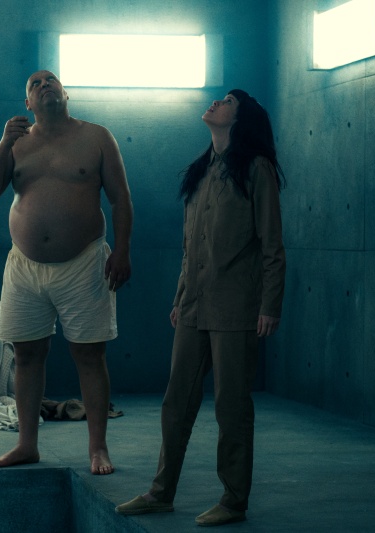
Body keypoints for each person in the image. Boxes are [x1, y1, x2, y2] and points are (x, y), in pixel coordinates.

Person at [115, 89, 286, 526]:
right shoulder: (200, 170)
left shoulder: (257, 169)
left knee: (232, 406)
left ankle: (233, 500)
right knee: (177, 401)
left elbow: (272, 244)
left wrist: (270, 305)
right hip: (194, 304)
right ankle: (161, 492)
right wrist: (180, 297)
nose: (216, 103)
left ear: (241, 118)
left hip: (237, 306)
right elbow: (190, 247)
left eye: (228, 101)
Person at [0, 70, 133, 475]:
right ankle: (26, 445)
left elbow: (120, 199)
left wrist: (122, 251)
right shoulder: (16, 142)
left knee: (89, 355)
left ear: (66, 92)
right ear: (27, 103)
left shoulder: (96, 136)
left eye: (51, 80)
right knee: (27, 355)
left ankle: (98, 448)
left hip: (84, 261)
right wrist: (4, 142)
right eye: (34, 84)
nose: (44, 84)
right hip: (24, 266)